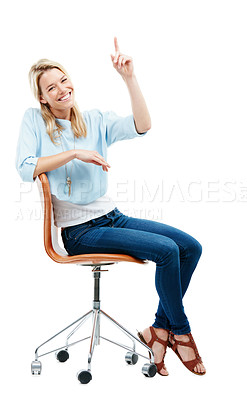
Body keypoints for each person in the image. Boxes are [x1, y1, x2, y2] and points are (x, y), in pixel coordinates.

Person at [15, 37, 206, 376]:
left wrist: (128, 78)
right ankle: (181, 332)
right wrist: (74, 153)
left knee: (189, 247)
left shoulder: (95, 119)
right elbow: (25, 166)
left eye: (63, 80)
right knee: (166, 250)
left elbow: (142, 125)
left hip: (112, 218)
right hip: (80, 233)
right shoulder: (34, 121)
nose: (61, 89)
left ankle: (158, 330)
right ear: (42, 98)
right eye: (51, 87)